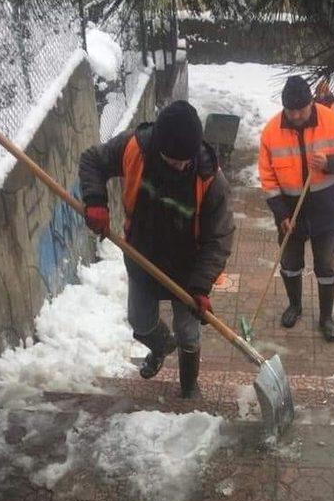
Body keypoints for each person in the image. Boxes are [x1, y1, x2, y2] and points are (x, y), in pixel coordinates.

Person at [79, 100, 235, 397]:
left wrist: (201, 286)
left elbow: (220, 237)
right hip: (142, 256)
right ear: (158, 147)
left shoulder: (209, 178)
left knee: (189, 333)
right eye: (172, 159)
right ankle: (163, 346)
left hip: (188, 269)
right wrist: (95, 201)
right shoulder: (134, 148)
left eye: (184, 160)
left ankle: (189, 389)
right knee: (140, 321)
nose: (179, 165)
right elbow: (93, 160)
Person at [259, 75, 334, 341]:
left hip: (326, 209)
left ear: (310, 104)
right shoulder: (271, 132)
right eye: (290, 111)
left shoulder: (332, 121)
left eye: (301, 110)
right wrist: (281, 214)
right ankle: (295, 305)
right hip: (290, 212)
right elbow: (268, 179)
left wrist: (329, 163)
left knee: (326, 266)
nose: (296, 115)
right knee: (290, 263)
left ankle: (326, 317)